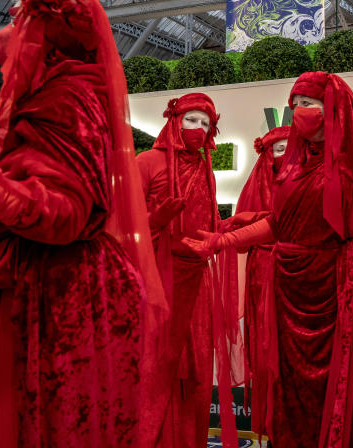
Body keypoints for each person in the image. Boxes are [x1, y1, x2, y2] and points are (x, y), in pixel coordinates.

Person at [0, 0, 164, 448]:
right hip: (41, 286)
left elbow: (67, 213)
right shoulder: (49, 94)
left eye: (20, 19)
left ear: (49, 38)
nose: (7, 30)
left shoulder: (66, 98)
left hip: (55, 298)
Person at [184, 71, 353, 448]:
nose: (299, 113)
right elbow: (278, 226)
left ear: (332, 109)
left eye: (307, 105)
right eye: (295, 106)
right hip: (292, 292)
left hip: (344, 289)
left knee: (352, 384)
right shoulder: (292, 166)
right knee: (294, 392)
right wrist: (221, 241)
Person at [136, 92, 239, 448]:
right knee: (154, 367)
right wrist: (155, 221)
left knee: (194, 370)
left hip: (196, 281)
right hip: (156, 281)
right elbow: (125, 228)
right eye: (191, 120)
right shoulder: (147, 162)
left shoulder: (205, 170)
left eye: (205, 123)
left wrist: (233, 225)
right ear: (174, 121)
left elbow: (207, 227)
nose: (197, 128)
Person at [234, 125, 288, 440]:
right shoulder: (254, 190)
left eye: (290, 148)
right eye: (278, 149)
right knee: (265, 355)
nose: (285, 155)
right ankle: (269, 427)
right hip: (262, 274)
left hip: (298, 271)